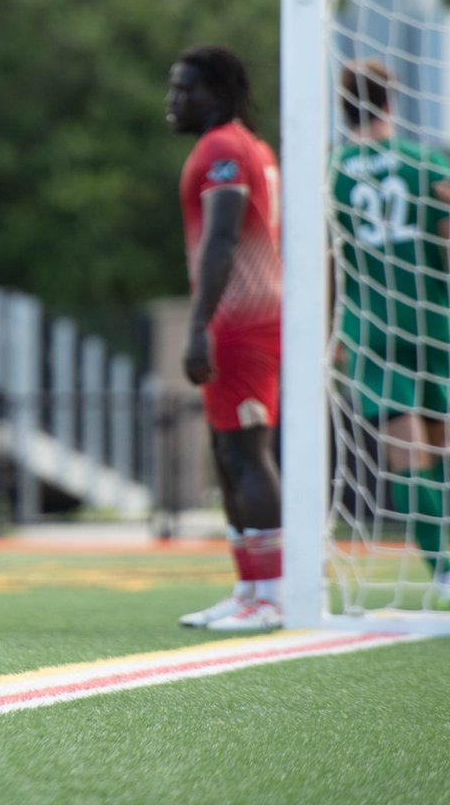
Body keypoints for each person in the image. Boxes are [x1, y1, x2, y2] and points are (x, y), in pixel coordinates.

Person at [166, 45, 283, 632]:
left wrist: (199, 326)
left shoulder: (222, 149)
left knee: (246, 451)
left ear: (214, 92)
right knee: (228, 451)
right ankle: (249, 588)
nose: (172, 100)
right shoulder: (245, 145)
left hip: (243, 321)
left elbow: (221, 241)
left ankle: (272, 594)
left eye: (182, 89)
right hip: (241, 320)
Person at [329, 60, 450, 599]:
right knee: (441, 449)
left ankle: (443, 568)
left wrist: (331, 335)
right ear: (390, 104)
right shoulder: (425, 163)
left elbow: (325, 262)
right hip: (434, 321)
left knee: (406, 459)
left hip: (372, 328)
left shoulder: (332, 174)